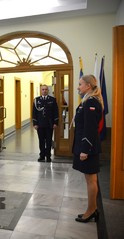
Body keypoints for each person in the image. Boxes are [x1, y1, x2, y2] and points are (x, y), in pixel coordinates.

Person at [72, 74, 103, 223]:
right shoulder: (87, 100)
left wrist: (85, 149)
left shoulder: (91, 102)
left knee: (91, 180)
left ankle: (91, 211)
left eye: (80, 84)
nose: (78, 87)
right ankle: (93, 209)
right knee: (90, 180)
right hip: (86, 146)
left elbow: (90, 128)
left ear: (88, 86)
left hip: (88, 148)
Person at [32, 84, 59, 162]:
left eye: (46, 89)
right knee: (41, 141)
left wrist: (55, 123)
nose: (44, 91)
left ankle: (48, 156)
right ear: (41, 91)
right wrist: (35, 123)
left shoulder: (52, 100)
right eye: (43, 89)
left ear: (48, 90)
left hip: (49, 124)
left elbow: (55, 112)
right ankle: (42, 156)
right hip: (40, 124)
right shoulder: (36, 100)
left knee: (48, 140)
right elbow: (34, 113)